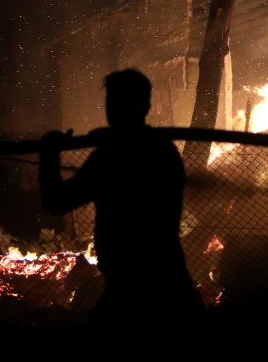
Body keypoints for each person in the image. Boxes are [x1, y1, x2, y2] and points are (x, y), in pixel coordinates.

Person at [40, 69, 203, 337]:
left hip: (131, 289)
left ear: (142, 105)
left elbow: (57, 201)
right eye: (112, 102)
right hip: (168, 281)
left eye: (118, 102)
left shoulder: (110, 157)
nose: (113, 109)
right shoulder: (164, 151)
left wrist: (49, 156)